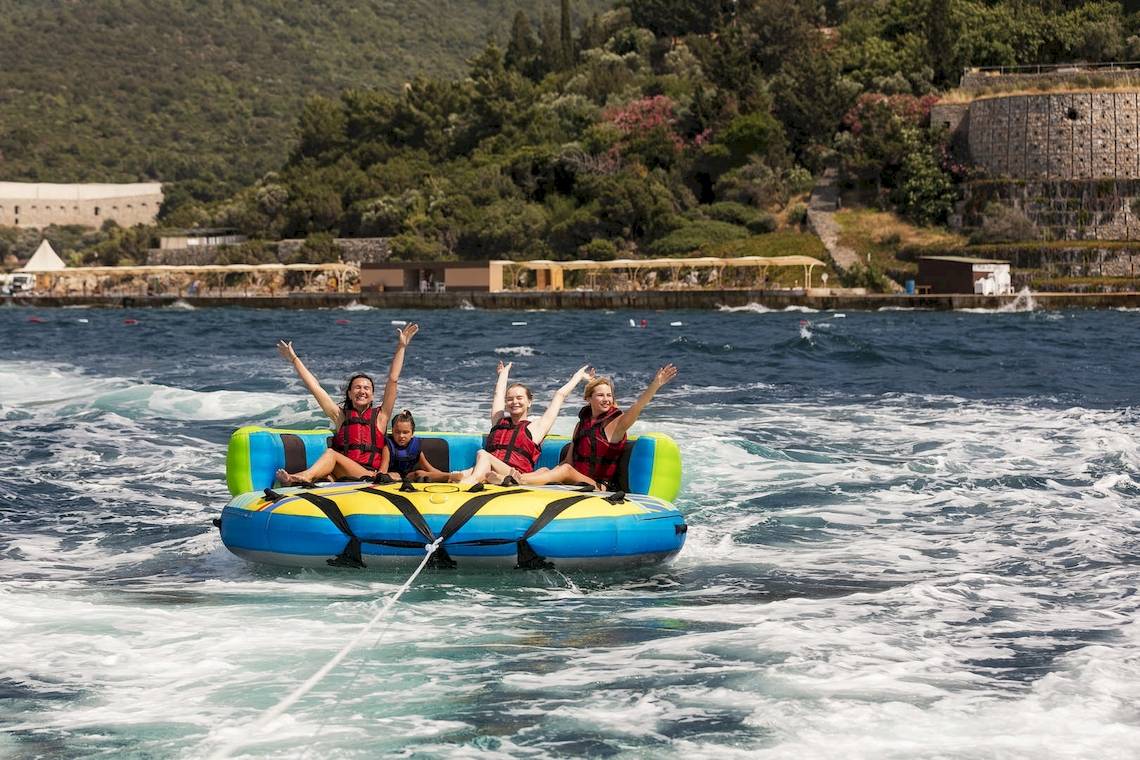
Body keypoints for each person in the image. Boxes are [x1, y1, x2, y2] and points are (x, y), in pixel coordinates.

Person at [274, 323, 419, 485]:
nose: (362, 391)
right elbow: (315, 388)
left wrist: (401, 346)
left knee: (331, 454)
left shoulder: (381, 417)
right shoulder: (340, 416)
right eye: (357, 387)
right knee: (326, 477)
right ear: (349, 393)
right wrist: (294, 359)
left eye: (366, 388)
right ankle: (300, 481)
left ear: (372, 396)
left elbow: (393, 379)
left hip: (368, 474)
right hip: (343, 474)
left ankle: (301, 477)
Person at [514, 364, 678, 490]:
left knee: (565, 471)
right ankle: (513, 479)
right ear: (588, 399)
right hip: (575, 480)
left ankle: (519, 480)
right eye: (600, 395)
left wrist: (656, 384)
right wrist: (548, 475)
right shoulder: (581, 425)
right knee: (544, 469)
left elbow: (638, 406)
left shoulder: (617, 424)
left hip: (599, 487)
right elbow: (568, 461)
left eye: (609, 395)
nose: (606, 399)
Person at [453, 362, 592, 485]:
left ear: (529, 402)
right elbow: (498, 395)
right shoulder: (498, 421)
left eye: (519, 398)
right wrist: (503, 374)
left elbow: (559, 395)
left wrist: (578, 377)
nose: (514, 402)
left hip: (516, 473)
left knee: (482, 454)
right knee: (461, 473)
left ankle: (472, 482)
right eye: (510, 399)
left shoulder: (536, 428)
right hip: (491, 468)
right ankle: (487, 478)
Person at [383, 409, 450, 481]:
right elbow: (383, 470)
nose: (401, 436)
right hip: (393, 476)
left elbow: (428, 468)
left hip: (410, 477)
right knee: (393, 475)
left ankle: (448, 477)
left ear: (412, 433)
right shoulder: (388, 447)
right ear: (392, 431)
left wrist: (443, 474)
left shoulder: (415, 447)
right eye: (397, 432)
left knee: (419, 473)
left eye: (405, 432)